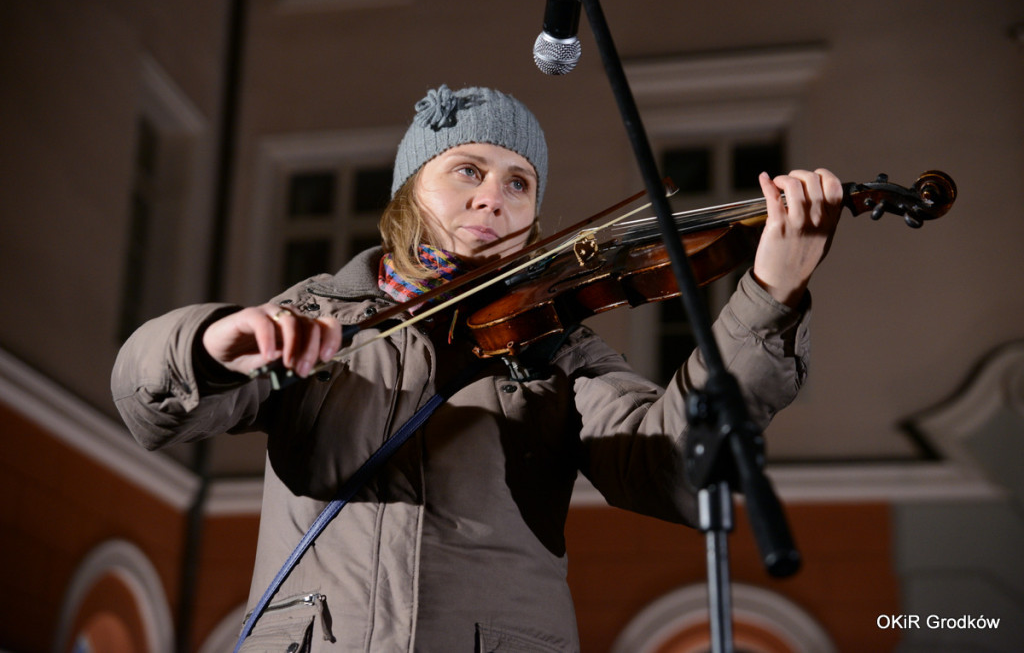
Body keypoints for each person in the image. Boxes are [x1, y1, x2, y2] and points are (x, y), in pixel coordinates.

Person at [112, 84, 843, 651]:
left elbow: (672, 465)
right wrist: (210, 343)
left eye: (518, 182)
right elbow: (149, 402)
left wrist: (770, 295)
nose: (493, 195)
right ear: (410, 190)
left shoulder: (557, 346)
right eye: (468, 168)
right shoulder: (321, 316)